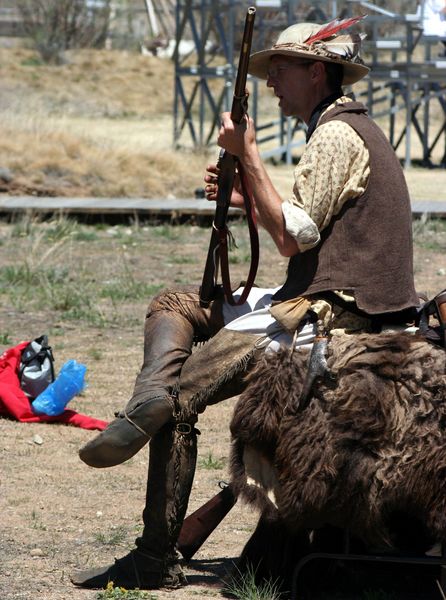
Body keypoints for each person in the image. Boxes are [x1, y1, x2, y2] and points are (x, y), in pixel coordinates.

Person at [71, 17, 419, 590]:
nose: (272, 82)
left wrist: (249, 154)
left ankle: (153, 554)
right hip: (314, 298)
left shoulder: (336, 134)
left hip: (334, 317)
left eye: (280, 70)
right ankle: (147, 397)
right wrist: (243, 195)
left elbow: (292, 237)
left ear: (315, 71)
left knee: (184, 401)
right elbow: (301, 224)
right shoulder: (339, 126)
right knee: (176, 303)